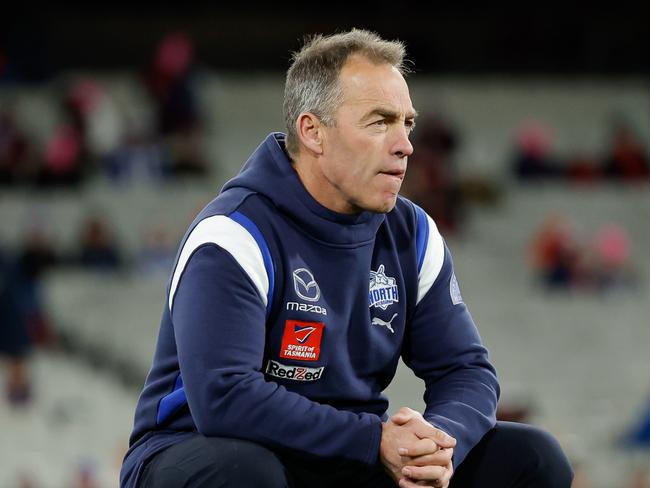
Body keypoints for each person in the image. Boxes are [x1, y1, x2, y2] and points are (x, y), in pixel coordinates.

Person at [121, 29, 573, 488]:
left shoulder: (412, 232)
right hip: (199, 450)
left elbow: (465, 370)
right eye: (379, 122)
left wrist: (436, 443)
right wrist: (374, 440)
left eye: (407, 123)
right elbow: (225, 398)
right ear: (313, 132)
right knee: (246, 474)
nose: (405, 145)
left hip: (345, 453)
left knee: (533, 458)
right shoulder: (234, 235)